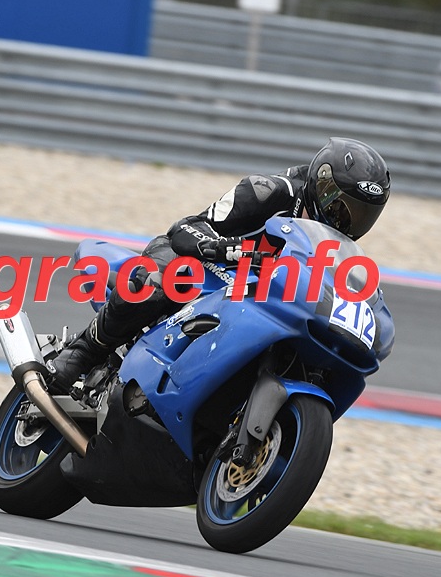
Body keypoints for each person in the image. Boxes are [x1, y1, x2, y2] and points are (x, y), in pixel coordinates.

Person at [48, 137, 391, 393]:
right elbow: (185, 229)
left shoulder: (337, 253)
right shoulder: (268, 192)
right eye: (343, 208)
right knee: (159, 283)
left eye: (364, 216)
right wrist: (224, 248)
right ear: (323, 187)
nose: (348, 223)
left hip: (255, 301)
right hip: (202, 266)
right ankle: (82, 351)